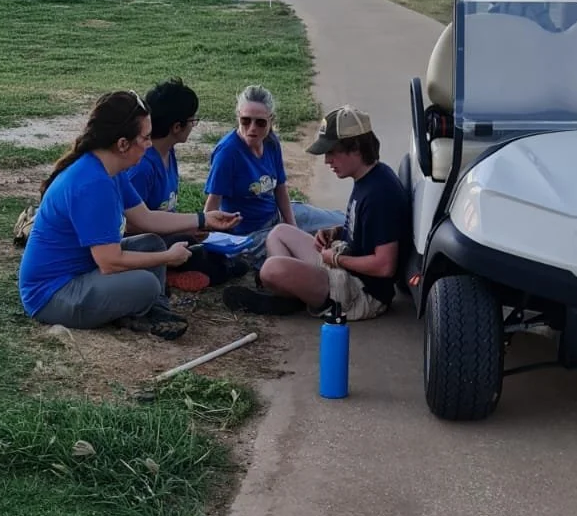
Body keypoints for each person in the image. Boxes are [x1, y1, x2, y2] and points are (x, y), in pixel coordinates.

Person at [18, 90, 197, 339]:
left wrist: (204, 220)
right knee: (148, 283)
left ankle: (148, 310)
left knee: (151, 242)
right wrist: (167, 256)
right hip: (51, 296)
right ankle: (144, 307)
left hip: (79, 272)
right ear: (122, 144)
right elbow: (109, 261)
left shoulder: (110, 167)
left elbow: (146, 218)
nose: (149, 144)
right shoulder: (94, 183)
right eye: (145, 138)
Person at [223, 107, 408, 321]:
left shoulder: (380, 194)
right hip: (346, 268)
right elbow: (366, 231)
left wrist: (337, 259)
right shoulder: (367, 177)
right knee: (279, 232)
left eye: (332, 152)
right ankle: (291, 295)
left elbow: (385, 266)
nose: (327, 160)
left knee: (270, 269)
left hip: (361, 292)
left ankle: (293, 294)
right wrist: (336, 232)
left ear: (356, 148)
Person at [130, 77, 246, 290]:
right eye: (192, 121)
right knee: (212, 267)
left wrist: (191, 227)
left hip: (163, 234)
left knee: (220, 256)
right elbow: (132, 224)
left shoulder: (167, 152)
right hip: (143, 243)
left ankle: (169, 270)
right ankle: (164, 274)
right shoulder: (142, 166)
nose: (193, 126)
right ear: (177, 126)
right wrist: (186, 228)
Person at [204, 85, 343, 259]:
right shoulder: (228, 153)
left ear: (271, 120)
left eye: (260, 122)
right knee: (312, 253)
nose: (252, 128)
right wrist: (210, 238)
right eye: (246, 121)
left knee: (341, 223)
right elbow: (211, 207)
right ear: (238, 117)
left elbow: (280, 188)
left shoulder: (270, 142)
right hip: (249, 234)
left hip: (276, 216)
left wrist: (292, 227)